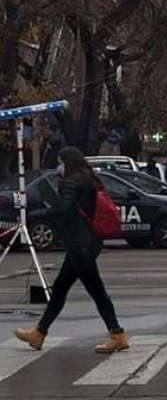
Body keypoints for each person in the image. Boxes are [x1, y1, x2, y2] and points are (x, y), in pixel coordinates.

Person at [15, 147, 128, 353]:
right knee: (60, 289)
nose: (58, 166)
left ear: (67, 163)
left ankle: (117, 333)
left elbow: (65, 210)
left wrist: (40, 213)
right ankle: (39, 333)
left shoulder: (71, 181)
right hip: (88, 242)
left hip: (79, 244)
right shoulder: (89, 179)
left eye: (60, 162)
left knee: (96, 291)